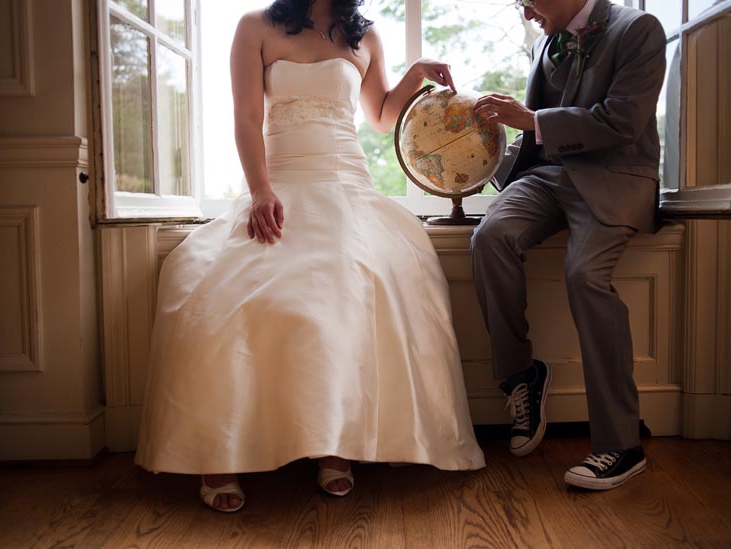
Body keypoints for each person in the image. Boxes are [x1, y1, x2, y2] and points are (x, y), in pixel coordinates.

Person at [135, 0, 485, 512]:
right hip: (279, 186)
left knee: (351, 292)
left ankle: (336, 448)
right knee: (212, 294)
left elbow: (381, 117)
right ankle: (218, 452)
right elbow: (246, 117)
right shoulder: (255, 27)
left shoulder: (364, 36)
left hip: (347, 186)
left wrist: (413, 76)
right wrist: (260, 192)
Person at [471, 0, 666, 490]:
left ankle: (620, 445)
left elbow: (624, 120)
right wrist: (476, 149)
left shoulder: (638, 28)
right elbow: (538, 138)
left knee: (585, 276)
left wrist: (532, 117)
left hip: (615, 179)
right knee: (489, 237)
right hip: (548, 179)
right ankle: (521, 377)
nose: (526, 14)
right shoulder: (544, 41)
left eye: (527, 1)